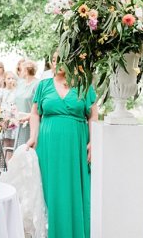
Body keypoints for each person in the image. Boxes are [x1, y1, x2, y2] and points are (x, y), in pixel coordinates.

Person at [26, 52, 98, 238]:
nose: (57, 62)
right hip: (48, 146)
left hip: (76, 144)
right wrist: (33, 136)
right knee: (50, 189)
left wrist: (94, 140)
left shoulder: (84, 84)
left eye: (62, 58)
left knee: (74, 187)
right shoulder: (43, 86)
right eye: (54, 59)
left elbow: (93, 115)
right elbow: (35, 113)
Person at [13, 60, 39, 145]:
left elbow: (38, 104)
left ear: (26, 70)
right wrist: (16, 114)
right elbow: (15, 100)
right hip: (19, 121)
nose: (20, 72)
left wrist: (28, 117)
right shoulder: (20, 84)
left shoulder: (37, 84)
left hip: (31, 121)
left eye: (21, 69)